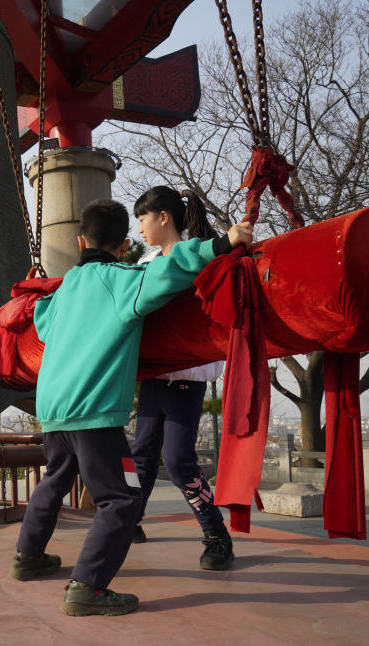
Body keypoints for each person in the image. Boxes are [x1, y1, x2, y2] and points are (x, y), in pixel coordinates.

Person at [9, 198, 252, 617]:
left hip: (53, 412)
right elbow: (171, 269)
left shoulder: (64, 290)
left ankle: (27, 557)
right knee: (123, 497)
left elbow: (42, 322)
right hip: (94, 413)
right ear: (123, 245)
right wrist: (223, 243)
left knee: (56, 477)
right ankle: (88, 586)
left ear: (81, 239)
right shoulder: (122, 281)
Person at [130, 186, 233, 570]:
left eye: (142, 218)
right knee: (140, 453)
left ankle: (216, 534)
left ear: (163, 217)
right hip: (155, 375)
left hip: (188, 375)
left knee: (177, 459)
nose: (139, 227)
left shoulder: (201, 258)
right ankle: (129, 522)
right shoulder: (145, 265)